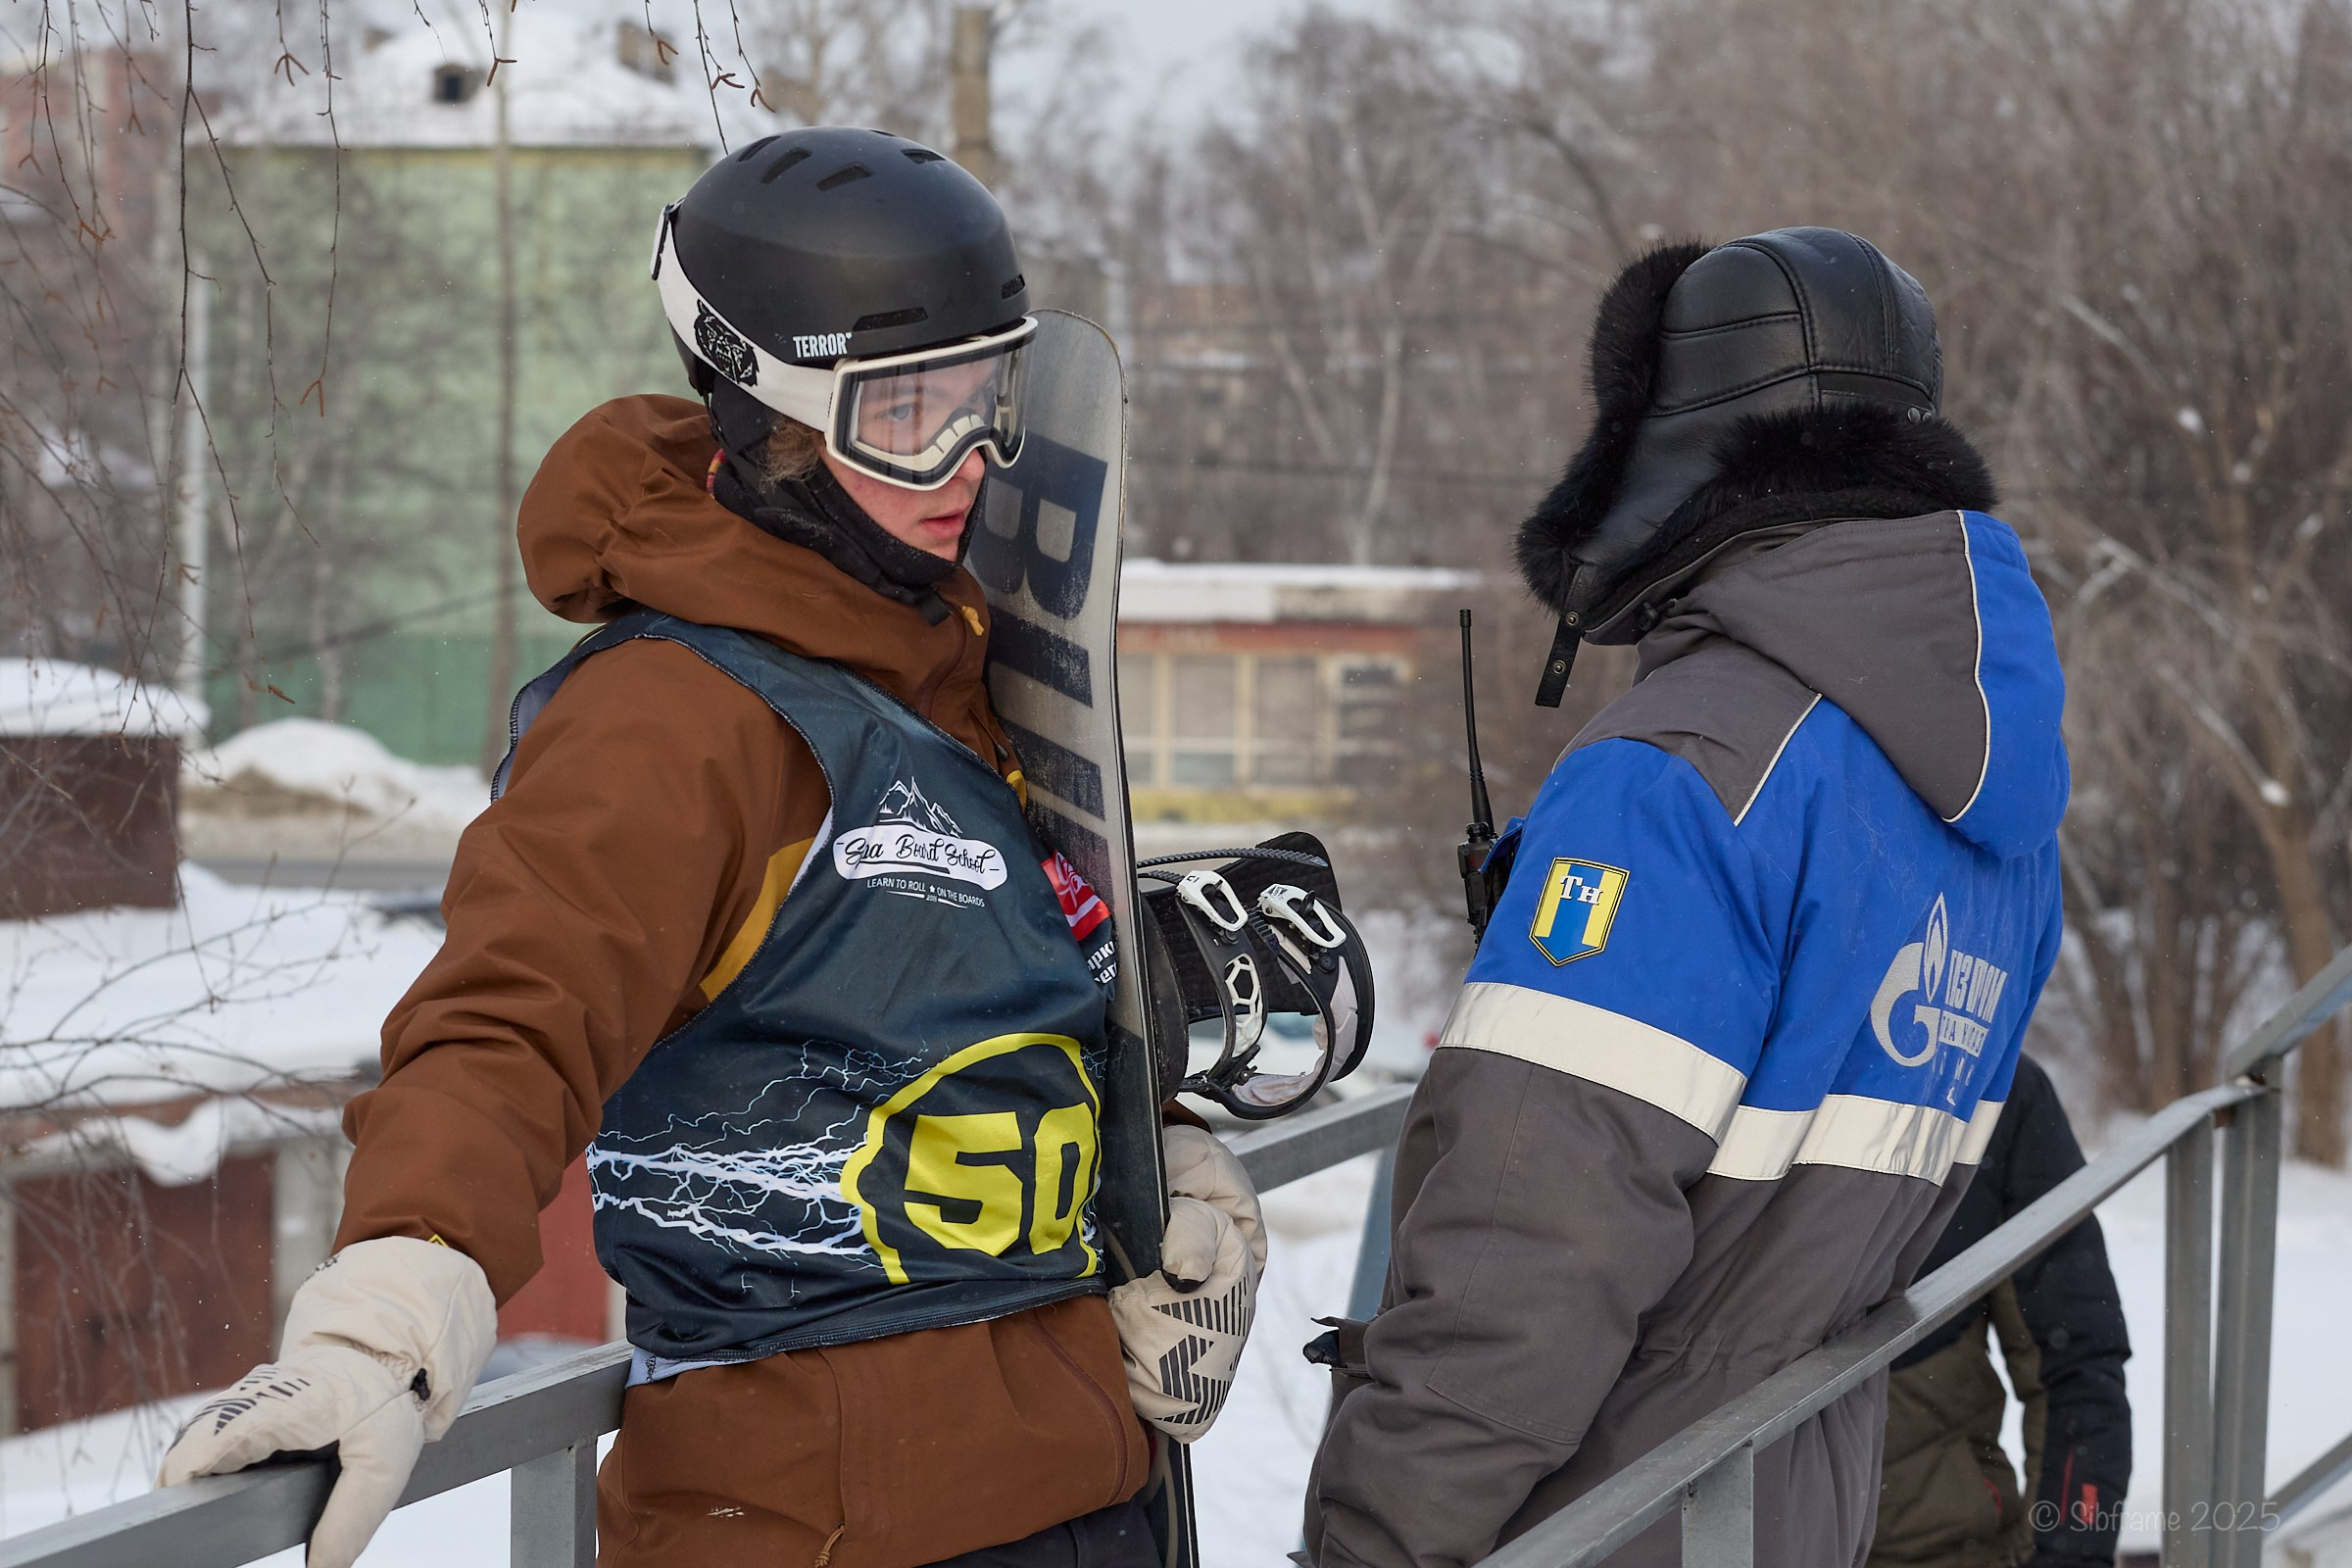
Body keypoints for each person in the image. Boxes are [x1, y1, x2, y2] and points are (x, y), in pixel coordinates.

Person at [155, 127, 1264, 1568]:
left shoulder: (935, 676)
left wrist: (1152, 1166)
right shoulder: (672, 717)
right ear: (775, 412)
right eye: (904, 413)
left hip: (1073, 1484)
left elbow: (937, 1022)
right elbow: (513, 1014)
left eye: (989, 399)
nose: (965, 463)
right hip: (817, 1528)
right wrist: (394, 1297)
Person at [1303, 228, 2070, 1568]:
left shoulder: (1685, 775)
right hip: (1793, 1498)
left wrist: (1371, 1542)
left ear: (1672, 440)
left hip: (1601, 1517)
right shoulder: (1993, 803)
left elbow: (1526, 1261)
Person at [1872, 1054, 2132, 1568]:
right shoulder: (1711, 1041)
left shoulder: (1990, 1079)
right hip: (1712, 1534)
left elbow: (2075, 1362)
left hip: (1936, 1545)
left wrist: (2066, 1553)